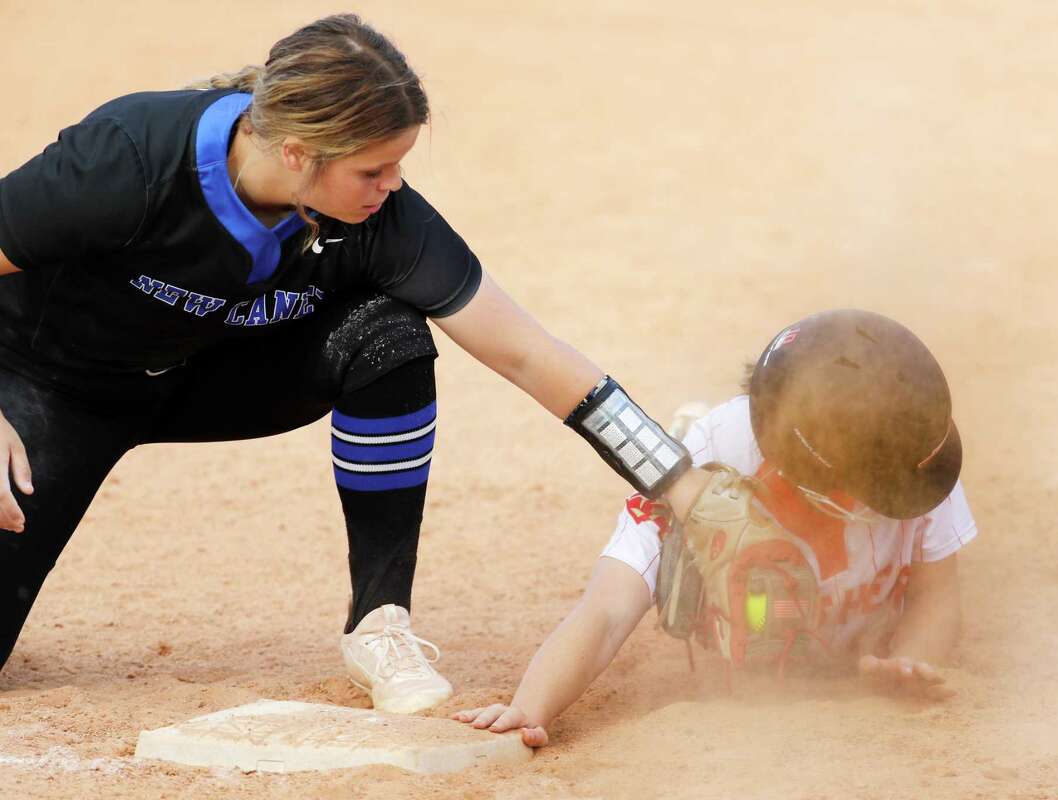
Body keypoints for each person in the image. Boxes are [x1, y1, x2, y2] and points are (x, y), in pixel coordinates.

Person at [0, 14, 709, 715]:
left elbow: (526, 351)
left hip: (212, 373)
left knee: (387, 336)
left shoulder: (378, 218)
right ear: (301, 153)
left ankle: (380, 623)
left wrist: (678, 483)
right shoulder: (131, 157)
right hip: (48, 384)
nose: (393, 186)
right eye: (374, 168)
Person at [454, 309, 978, 747]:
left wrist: (910, 665)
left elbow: (937, 593)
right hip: (752, 654)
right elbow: (608, 609)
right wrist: (531, 706)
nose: (894, 501)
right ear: (811, 472)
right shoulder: (700, 465)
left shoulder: (909, 450)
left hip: (854, 651)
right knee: (727, 541)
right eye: (871, 493)